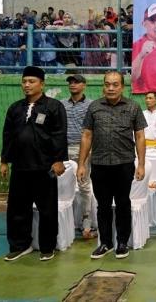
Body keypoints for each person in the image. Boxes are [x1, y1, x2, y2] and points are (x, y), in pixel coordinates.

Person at [0, 66, 68, 262]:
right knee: (17, 209)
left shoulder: (54, 106)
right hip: (20, 167)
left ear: (42, 84)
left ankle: (47, 246)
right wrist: (5, 160)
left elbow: (59, 134)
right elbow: (8, 135)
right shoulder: (15, 108)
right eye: (24, 81)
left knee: (47, 209)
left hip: (44, 167)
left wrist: (58, 160)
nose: (27, 85)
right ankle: (20, 245)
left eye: (32, 81)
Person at [77, 71, 147, 260]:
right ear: (103, 86)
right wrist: (81, 164)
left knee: (124, 203)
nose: (111, 88)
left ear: (122, 87)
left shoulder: (133, 107)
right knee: (103, 205)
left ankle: (122, 242)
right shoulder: (93, 107)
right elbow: (87, 136)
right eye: (107, 84)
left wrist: (141, 164)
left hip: (124, 164)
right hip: (99, 164)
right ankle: (106, 243)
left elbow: (140, 136)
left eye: (115, 84)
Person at [60, 74, 95, 239]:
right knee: (63, 186)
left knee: (84, 186)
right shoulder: (61, 105)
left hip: (83, 150)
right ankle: (65, 223)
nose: (73, 85)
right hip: (63, 150)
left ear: (84, 85)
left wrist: (89, 151)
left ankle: (86, 224)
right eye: (70, 82)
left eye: (76, 82)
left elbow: (92, 131)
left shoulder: (91, 105)